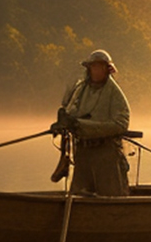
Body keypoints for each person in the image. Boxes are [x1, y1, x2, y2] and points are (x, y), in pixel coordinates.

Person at [52, 49, 131, 196]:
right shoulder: (81, 90)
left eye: (100, 67)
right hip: (83, 153)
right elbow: (71, 113)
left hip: (106, 153)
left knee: (111, 196)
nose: (96, 71)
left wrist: (83, 125)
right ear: (89, 69)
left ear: (107, 70)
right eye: (93, 67)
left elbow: (121, 124)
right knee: (78, 195)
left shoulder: (115, 93)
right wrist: (62, 122)